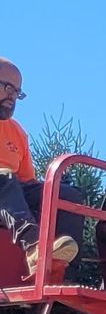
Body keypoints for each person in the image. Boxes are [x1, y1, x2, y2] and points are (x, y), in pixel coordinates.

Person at [0, 61, 76, 278]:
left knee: (64, 194)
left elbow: (27, 182)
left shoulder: (16, 133)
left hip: (5, 203)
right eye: (7, 88)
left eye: (17, 92)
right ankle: (35, 249)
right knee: (4, 176)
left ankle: (64, 274)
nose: (13, 97)